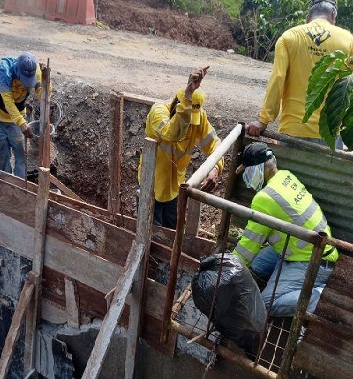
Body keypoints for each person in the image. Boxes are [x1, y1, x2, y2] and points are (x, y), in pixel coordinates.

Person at [232, 142, 339, 317]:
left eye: (247, 172)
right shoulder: (285, 176)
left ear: (257, 170)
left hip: (312, 262)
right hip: (308, 249)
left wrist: (226, 270)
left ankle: (322, 297)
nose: (246, 177)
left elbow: (248, 246)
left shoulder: (264, 199)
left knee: (267, 304)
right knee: (257, 267)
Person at [246, 0, 353, 148]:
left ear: (308, 17)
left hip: (293, 129)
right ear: (333, 14)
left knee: (289, 173)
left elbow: (277, 79)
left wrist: (263, 120)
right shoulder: (347, 40)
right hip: (330, 132)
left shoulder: (289, 37)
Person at [138, 67, 223, 229]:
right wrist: (188, 96)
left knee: (172, 234)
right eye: (188, 118)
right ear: (178, 105)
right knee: (151, 238)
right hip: (151, 188)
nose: (191, 124)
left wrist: (216, 167)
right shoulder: (158, 112)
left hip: (175, 190)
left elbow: (215, 143)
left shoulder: (198, 117)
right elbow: (173, 133)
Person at [0, 51, 48, 178]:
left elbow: (43, 95)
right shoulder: (5, 70)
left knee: (21, 157)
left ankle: (20, 188)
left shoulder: (35, 70)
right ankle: (4, 185)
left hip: (18, 118)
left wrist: (45, 81)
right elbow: (8, 102)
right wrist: (21, 123)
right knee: (1, 157)